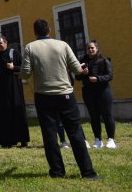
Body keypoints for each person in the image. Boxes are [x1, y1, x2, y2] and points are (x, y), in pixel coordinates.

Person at [20, 19, 99, 180]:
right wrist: (83, 70)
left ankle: (57, 172)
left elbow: (26, 73)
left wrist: (21, 72)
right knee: (75, 132)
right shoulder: (63, 45)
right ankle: (88, 172)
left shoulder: (30, 47)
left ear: (35, 32)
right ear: (49, 30)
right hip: (65, 94)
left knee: (49, 134)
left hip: (43, 96)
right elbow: (77, 68)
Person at [0, 36, 30, 148]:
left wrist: (13, 67)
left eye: (0, 43)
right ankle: (6, 141)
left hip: (14, 88)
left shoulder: (15, 53)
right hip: (1, 89)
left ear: (6, 43)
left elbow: (23, 68)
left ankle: (23, 141)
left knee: (17, 112)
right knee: (4, 114)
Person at [77, 40, 116, 149]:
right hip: (89, 93)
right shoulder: (83, 61)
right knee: (94, 117)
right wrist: (82, 73)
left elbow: (110, 76)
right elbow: (77, 77)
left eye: (92, 48)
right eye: (88, 48)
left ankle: (111, 140)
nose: (90, 50)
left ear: (97, 49)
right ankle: (98, 139)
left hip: (103, 92)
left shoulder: (103, 60)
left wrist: (97, 78)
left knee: (107, 115)